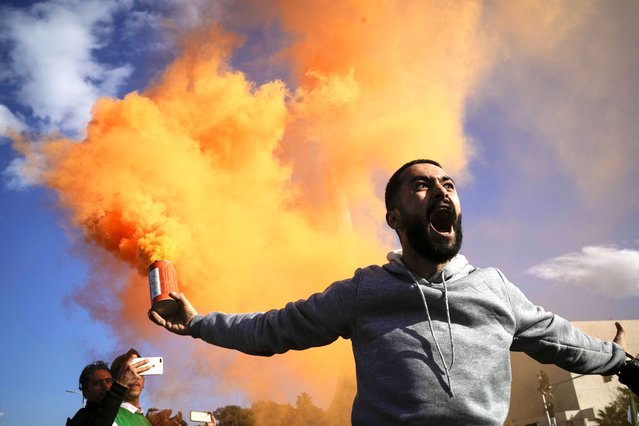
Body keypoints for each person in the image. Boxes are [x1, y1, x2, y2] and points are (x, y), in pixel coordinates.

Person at [148, 159, 637, 425]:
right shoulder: (366, 290)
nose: (442, 191)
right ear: (395, 218)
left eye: (448, 183)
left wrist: (622, 363)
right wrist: (198, 323)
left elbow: (561, 339)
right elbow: (277, 328)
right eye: (422, 186)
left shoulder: (495, 289)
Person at [66, 358, 151, 426]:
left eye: (108, 381)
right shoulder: (82, 418)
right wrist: (120, 385)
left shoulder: (126, 413)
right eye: (96, 383)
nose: (105, 386)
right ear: (85, 392)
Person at [110, 348, 153, 426]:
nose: (135, 377)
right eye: (129, 372)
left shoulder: (148, 421)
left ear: (144, 380)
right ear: (114, 380)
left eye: (139, 372)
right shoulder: (109, 417)